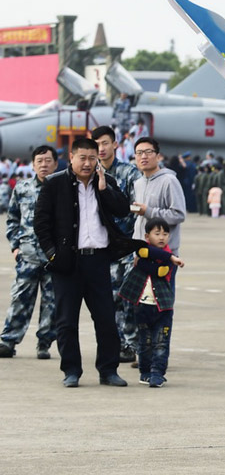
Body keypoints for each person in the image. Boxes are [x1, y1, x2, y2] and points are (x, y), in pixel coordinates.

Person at [33, 137, 138, 388]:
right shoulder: (55, 183)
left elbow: (123, 209)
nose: (88, 163)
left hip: (98, 261)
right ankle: (71, 370)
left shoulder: (106, 182)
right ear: (72, 157)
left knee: (105, 319)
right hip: (67, 263)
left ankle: (108, 370)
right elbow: (41, 222)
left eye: (93, 158)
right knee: (66, 321)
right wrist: (52, 254)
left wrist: (105, 189)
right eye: (83, 157)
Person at [0, 146, 58, 359]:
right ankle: (8, 341)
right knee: (20, 298)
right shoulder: (22, 189)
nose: (44, 164)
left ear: (55, 163)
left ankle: (44, 344)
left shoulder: (62, 190)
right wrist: (15, 246)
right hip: (27, 256)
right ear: (33, 164)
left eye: (48, 160)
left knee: (51, 303)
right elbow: (13, 219)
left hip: (54, 258)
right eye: (40, 161)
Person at [93, 126, 144, 363]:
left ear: (115, 145)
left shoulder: (130, 173)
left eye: (105, 143)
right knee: (108, 299)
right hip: (102, 246)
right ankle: (118, 343)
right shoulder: (88, 173)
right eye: (97, 145)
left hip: (127, 245)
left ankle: (132, 345)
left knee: (128, 297)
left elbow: (139, 209)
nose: (101, 149)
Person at [117, 217, 185, 388]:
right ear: (147, 237)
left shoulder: (170, 260)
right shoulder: (149, 252)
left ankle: (157, 373)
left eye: (165, 234)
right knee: (145, 342)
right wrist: (168, 257)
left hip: (162, 308)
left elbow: (160, 271)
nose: (162, 237)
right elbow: (144, 253)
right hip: (142, 307)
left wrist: (169, 258)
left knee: (161, 342)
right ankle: (145, 372)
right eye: (157, 234)